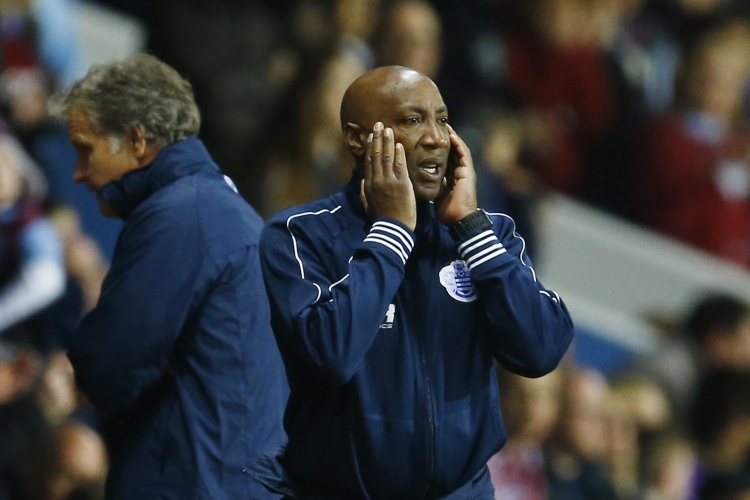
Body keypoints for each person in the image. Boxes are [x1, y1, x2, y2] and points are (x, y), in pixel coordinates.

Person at [252, 65, 575, 499]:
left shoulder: (486, 235)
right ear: (358, 139)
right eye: (412, 120)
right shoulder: (300, 235)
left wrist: (472, 229)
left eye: (442, 119)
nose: (435, 137)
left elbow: (541, 350)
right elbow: (331, 353)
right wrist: (392, 233)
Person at [47, 54, 286, 500]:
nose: (78, 173)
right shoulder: (216, 206)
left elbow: (108, 368)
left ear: (136, 140)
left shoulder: (182, 214)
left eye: (86, 149)